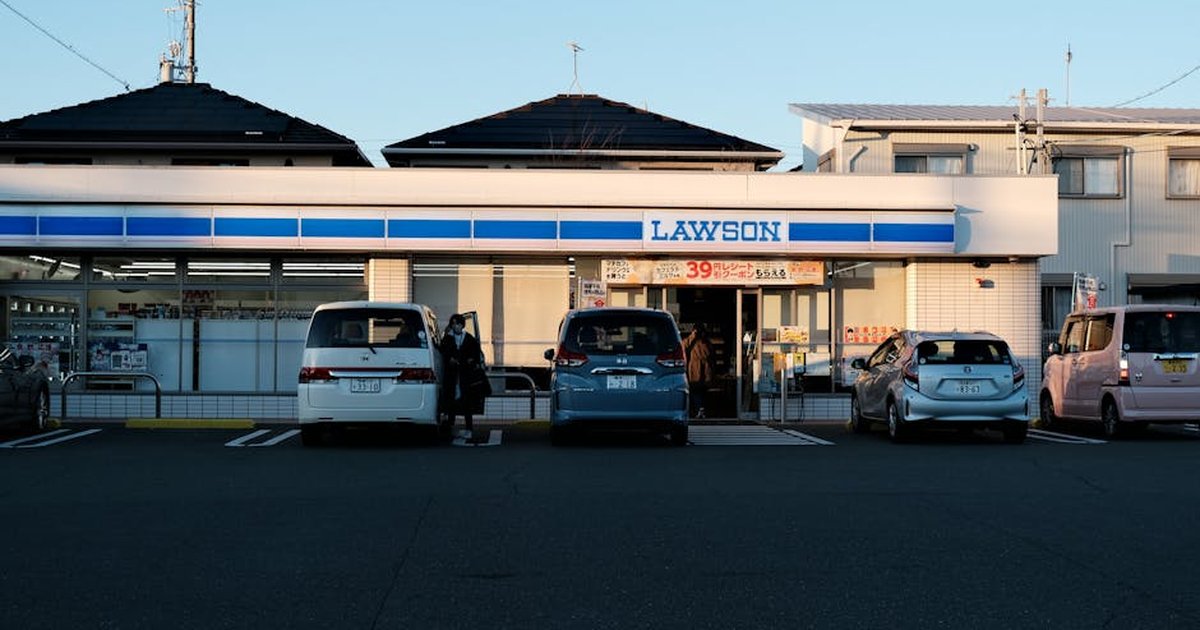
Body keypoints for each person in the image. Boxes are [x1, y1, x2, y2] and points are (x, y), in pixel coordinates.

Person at [439, 313, 489, 441]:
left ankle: (469, 429)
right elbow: (442, 352)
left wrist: (469, 361)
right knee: (451, 402)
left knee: (467, 403)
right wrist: (450, 359)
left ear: (462, 325)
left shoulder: (469, 339)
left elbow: (476, 355)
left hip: (465, 376)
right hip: (452, 376)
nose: (455, 326)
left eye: (457, 323)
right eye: (453, 324)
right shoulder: (447, 339)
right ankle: (450, 428)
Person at [683, 324, 714, 418]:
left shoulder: (694, 341)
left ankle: (700, 409)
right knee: (700, 390)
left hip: (695, 368)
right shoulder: (707, 342)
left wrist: (692, 336)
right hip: (703, 368)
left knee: (695, 390)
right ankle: (701, 408)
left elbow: (683, 346)